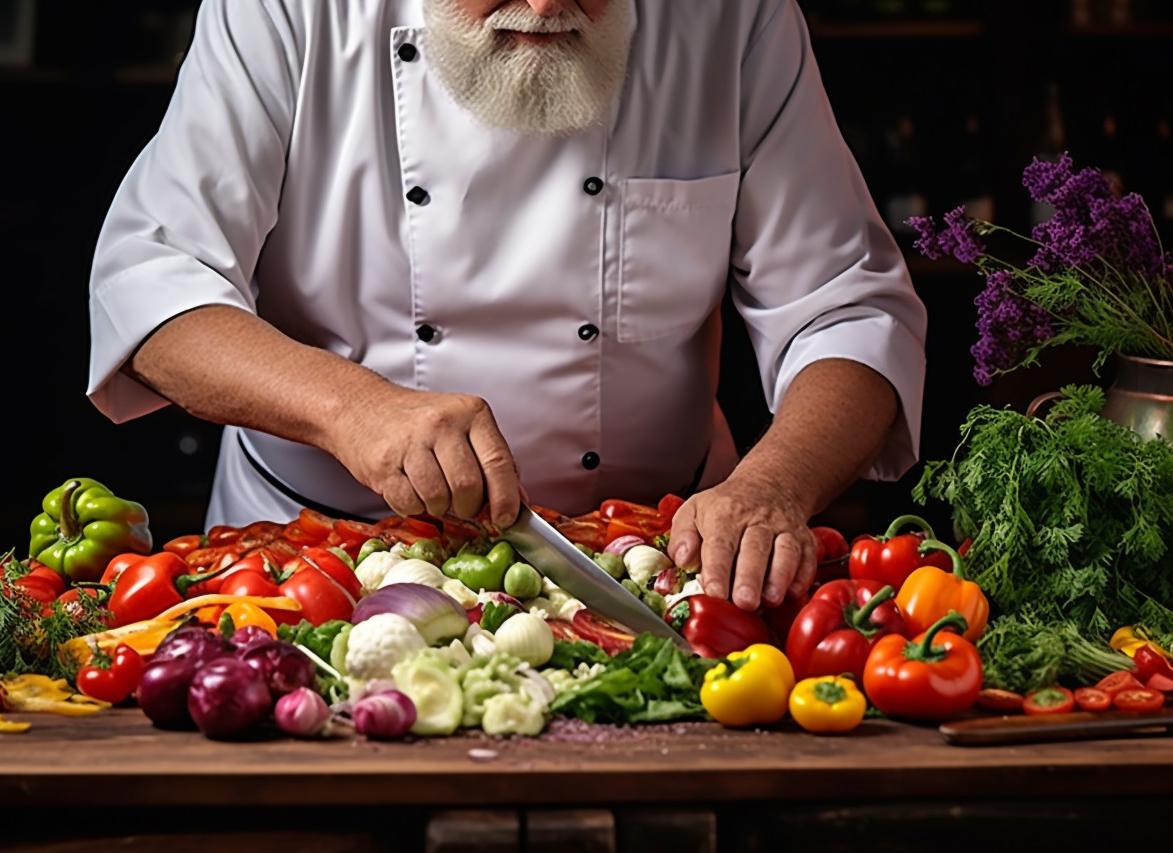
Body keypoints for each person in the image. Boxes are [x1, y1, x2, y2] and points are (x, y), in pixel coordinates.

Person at [86, 0, 927, 614]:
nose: (546, 6)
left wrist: (774, 486)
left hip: (651, 566)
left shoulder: (732, 19)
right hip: (320, 560)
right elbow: (153, 281)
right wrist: (352, 408)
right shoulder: (287, 12)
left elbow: (849, 308)